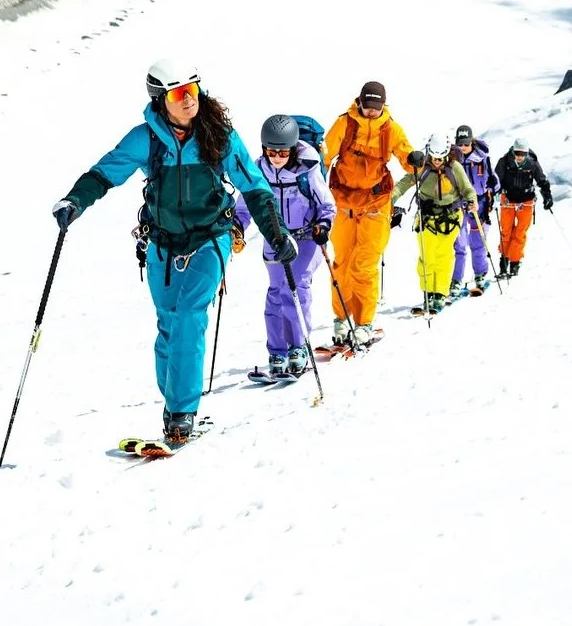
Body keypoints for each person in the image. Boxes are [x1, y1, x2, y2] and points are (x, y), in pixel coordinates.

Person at [53, 59, 296, 446]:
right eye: (180, 94)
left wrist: (276, 233)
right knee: (168, 323)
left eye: (194, 91)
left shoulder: (220, 136)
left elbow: (254, 185)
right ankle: (174, 408)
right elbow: (105, 173)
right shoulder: (145, 139)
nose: (189, 101)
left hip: (210, 238)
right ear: (160, 99)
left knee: (188, 314)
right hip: (162, 243)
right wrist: (74, 202)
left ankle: (183, 412)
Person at [232, 114, 336, 377]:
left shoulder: (308, 168)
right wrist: (237, 226)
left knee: (297, 287)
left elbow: (326, 204)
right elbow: (245, 208)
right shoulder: (257, 172)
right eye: (271, 151)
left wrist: (323, 225)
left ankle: (298, 347)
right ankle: (277, 351)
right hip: (276, 239)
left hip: (305, 237)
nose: (276, 157)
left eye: (282, 152)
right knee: (276, 294)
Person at [322, 80, 416, 344]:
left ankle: (364, 323)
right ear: (360, 102)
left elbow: (406, 157)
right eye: (367, 106)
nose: (371, 112)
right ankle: (342, 318)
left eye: (376, 107)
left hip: (375, 205)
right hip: (343, 202)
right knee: (342, 263)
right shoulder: (345, 123)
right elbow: (325, 156)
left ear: (383, 105)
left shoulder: (391, 129)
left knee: (364, 264)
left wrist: (414, 160)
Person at [391, 132, 477, 313]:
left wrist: (471, 200)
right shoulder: (422, 167)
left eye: (440, 158)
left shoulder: (455, 168)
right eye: (434, 157)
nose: (437, 161)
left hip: (450, 219)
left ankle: (440, 293)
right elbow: (404, 183)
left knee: (444, 257)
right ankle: (428, 292)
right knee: (427, 257)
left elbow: (468, 189)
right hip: (426, 218)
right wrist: (391, 198)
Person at [493, 135, 553, 278]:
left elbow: (542, 180)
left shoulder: (532, 163)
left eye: (523, 154)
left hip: (526, 200)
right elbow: (495, 181)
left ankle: (515, 262)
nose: (520, 157)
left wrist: (547, 195)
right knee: (506, 231)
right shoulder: (504, 161)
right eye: (517, 153)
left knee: (520, 233)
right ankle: (504, 262)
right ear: (513, 151)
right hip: (508, 200)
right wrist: (493, 195)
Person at [449, 123, 497, 298]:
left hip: (480, 203)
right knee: (459, 243)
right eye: (460, 144)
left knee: (477, 241)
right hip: (459, 204)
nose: (463, 148)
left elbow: (493, 178)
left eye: (466, 144)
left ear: (472, 142)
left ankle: (480, 274)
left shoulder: (482, 158)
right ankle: (455, 280)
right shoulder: (452, 160)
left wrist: (493, 186)